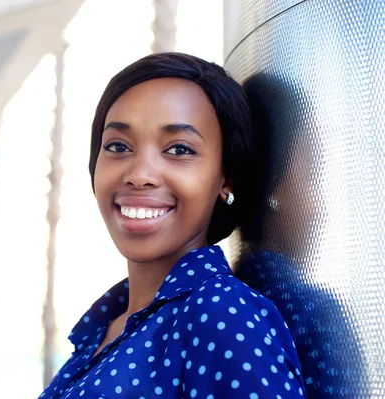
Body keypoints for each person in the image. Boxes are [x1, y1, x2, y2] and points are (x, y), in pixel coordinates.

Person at [38, 52, 307, 398]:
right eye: (118, 146)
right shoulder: (106, 326)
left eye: (179, 149)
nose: (139, 175)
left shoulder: (221, 314)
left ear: (226, 178)